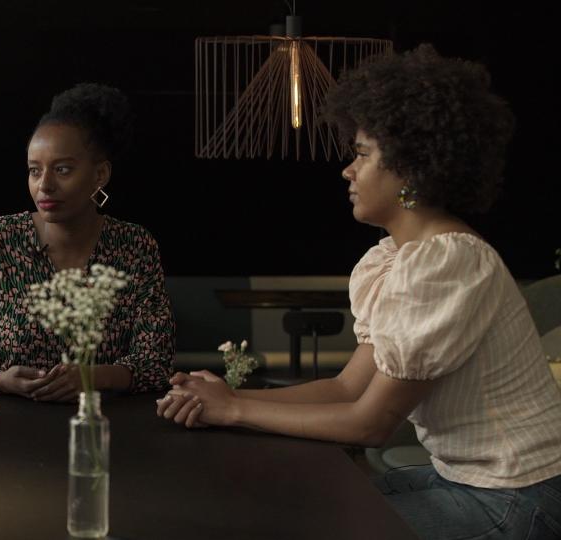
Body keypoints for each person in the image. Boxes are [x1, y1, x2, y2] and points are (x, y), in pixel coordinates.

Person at [157, 45, 561, 539]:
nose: (348, 170)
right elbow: (346, 389)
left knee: (307, 522)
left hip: (520, 496)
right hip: (474, 480)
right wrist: (227, 394)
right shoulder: (404, 259)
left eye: (362, 155)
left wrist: (234, 410)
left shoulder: (450, 261)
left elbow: (369, 425)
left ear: (411, 168)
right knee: (304, 497)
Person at [0, 83, 175, 400]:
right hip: (7, 426)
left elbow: (155, 364)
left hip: (108, 426)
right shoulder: (1, 240)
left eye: (62, 169)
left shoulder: (134, 246)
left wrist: (92, 377)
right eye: (34, 171)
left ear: (100, 174)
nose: (44, 185)